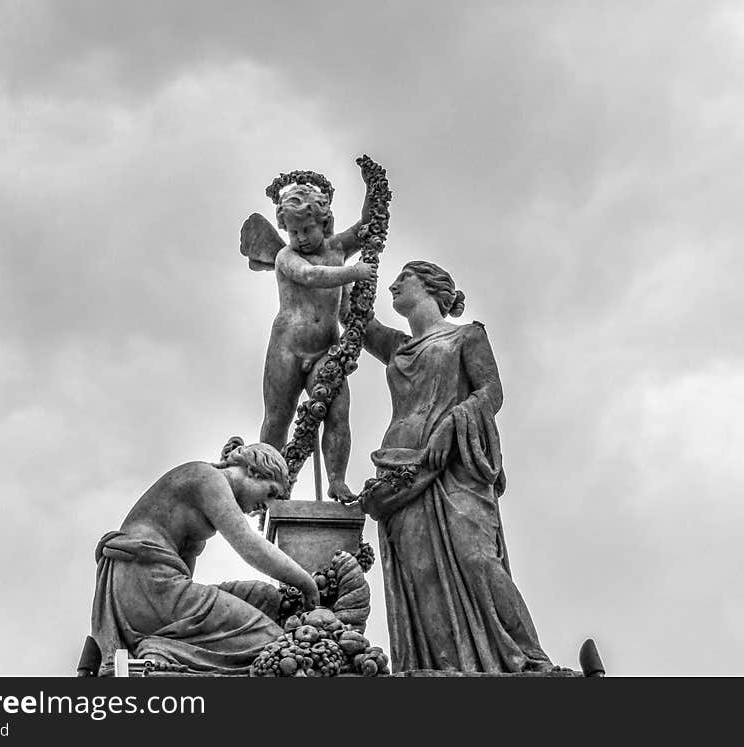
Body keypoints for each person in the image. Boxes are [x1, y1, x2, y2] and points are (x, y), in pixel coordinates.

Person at [359, 261, 554, 673]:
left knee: (477, 559)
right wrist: (326, 253)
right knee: (422, 572)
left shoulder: (467, 336)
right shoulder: (397, 347)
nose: (393, 285)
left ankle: (527, 661)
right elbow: (354, 318)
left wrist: (453, 422)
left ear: (432, 286)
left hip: (453, 464)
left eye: (404, 278)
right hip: (399, 471)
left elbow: (491, 392)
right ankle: (444, 668)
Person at [90, 441, 319, 675]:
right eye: (271, 492)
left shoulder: (202, 498)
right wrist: (306, 582)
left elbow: (186, 571)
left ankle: (168, 647)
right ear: (253, 470)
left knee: (266, 598)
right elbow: (250, 546)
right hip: (148, 585)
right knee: (271, 640)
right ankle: (159, 650)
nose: (266, 506)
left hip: (149, 588)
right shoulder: (207, 478)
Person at [243, 171, 377, 502]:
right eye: (292, 231)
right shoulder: (286, 257)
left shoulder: (337, 248)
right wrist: (353, 272)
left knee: (337, 412)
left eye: (307, 229)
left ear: (324, 221)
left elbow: (369, 224)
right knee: (278, 417)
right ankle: (267, 481)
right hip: (287, 347)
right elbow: (311, 276)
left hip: (325, 350)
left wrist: (373, 187)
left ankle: (336, 479)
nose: (300, 237)